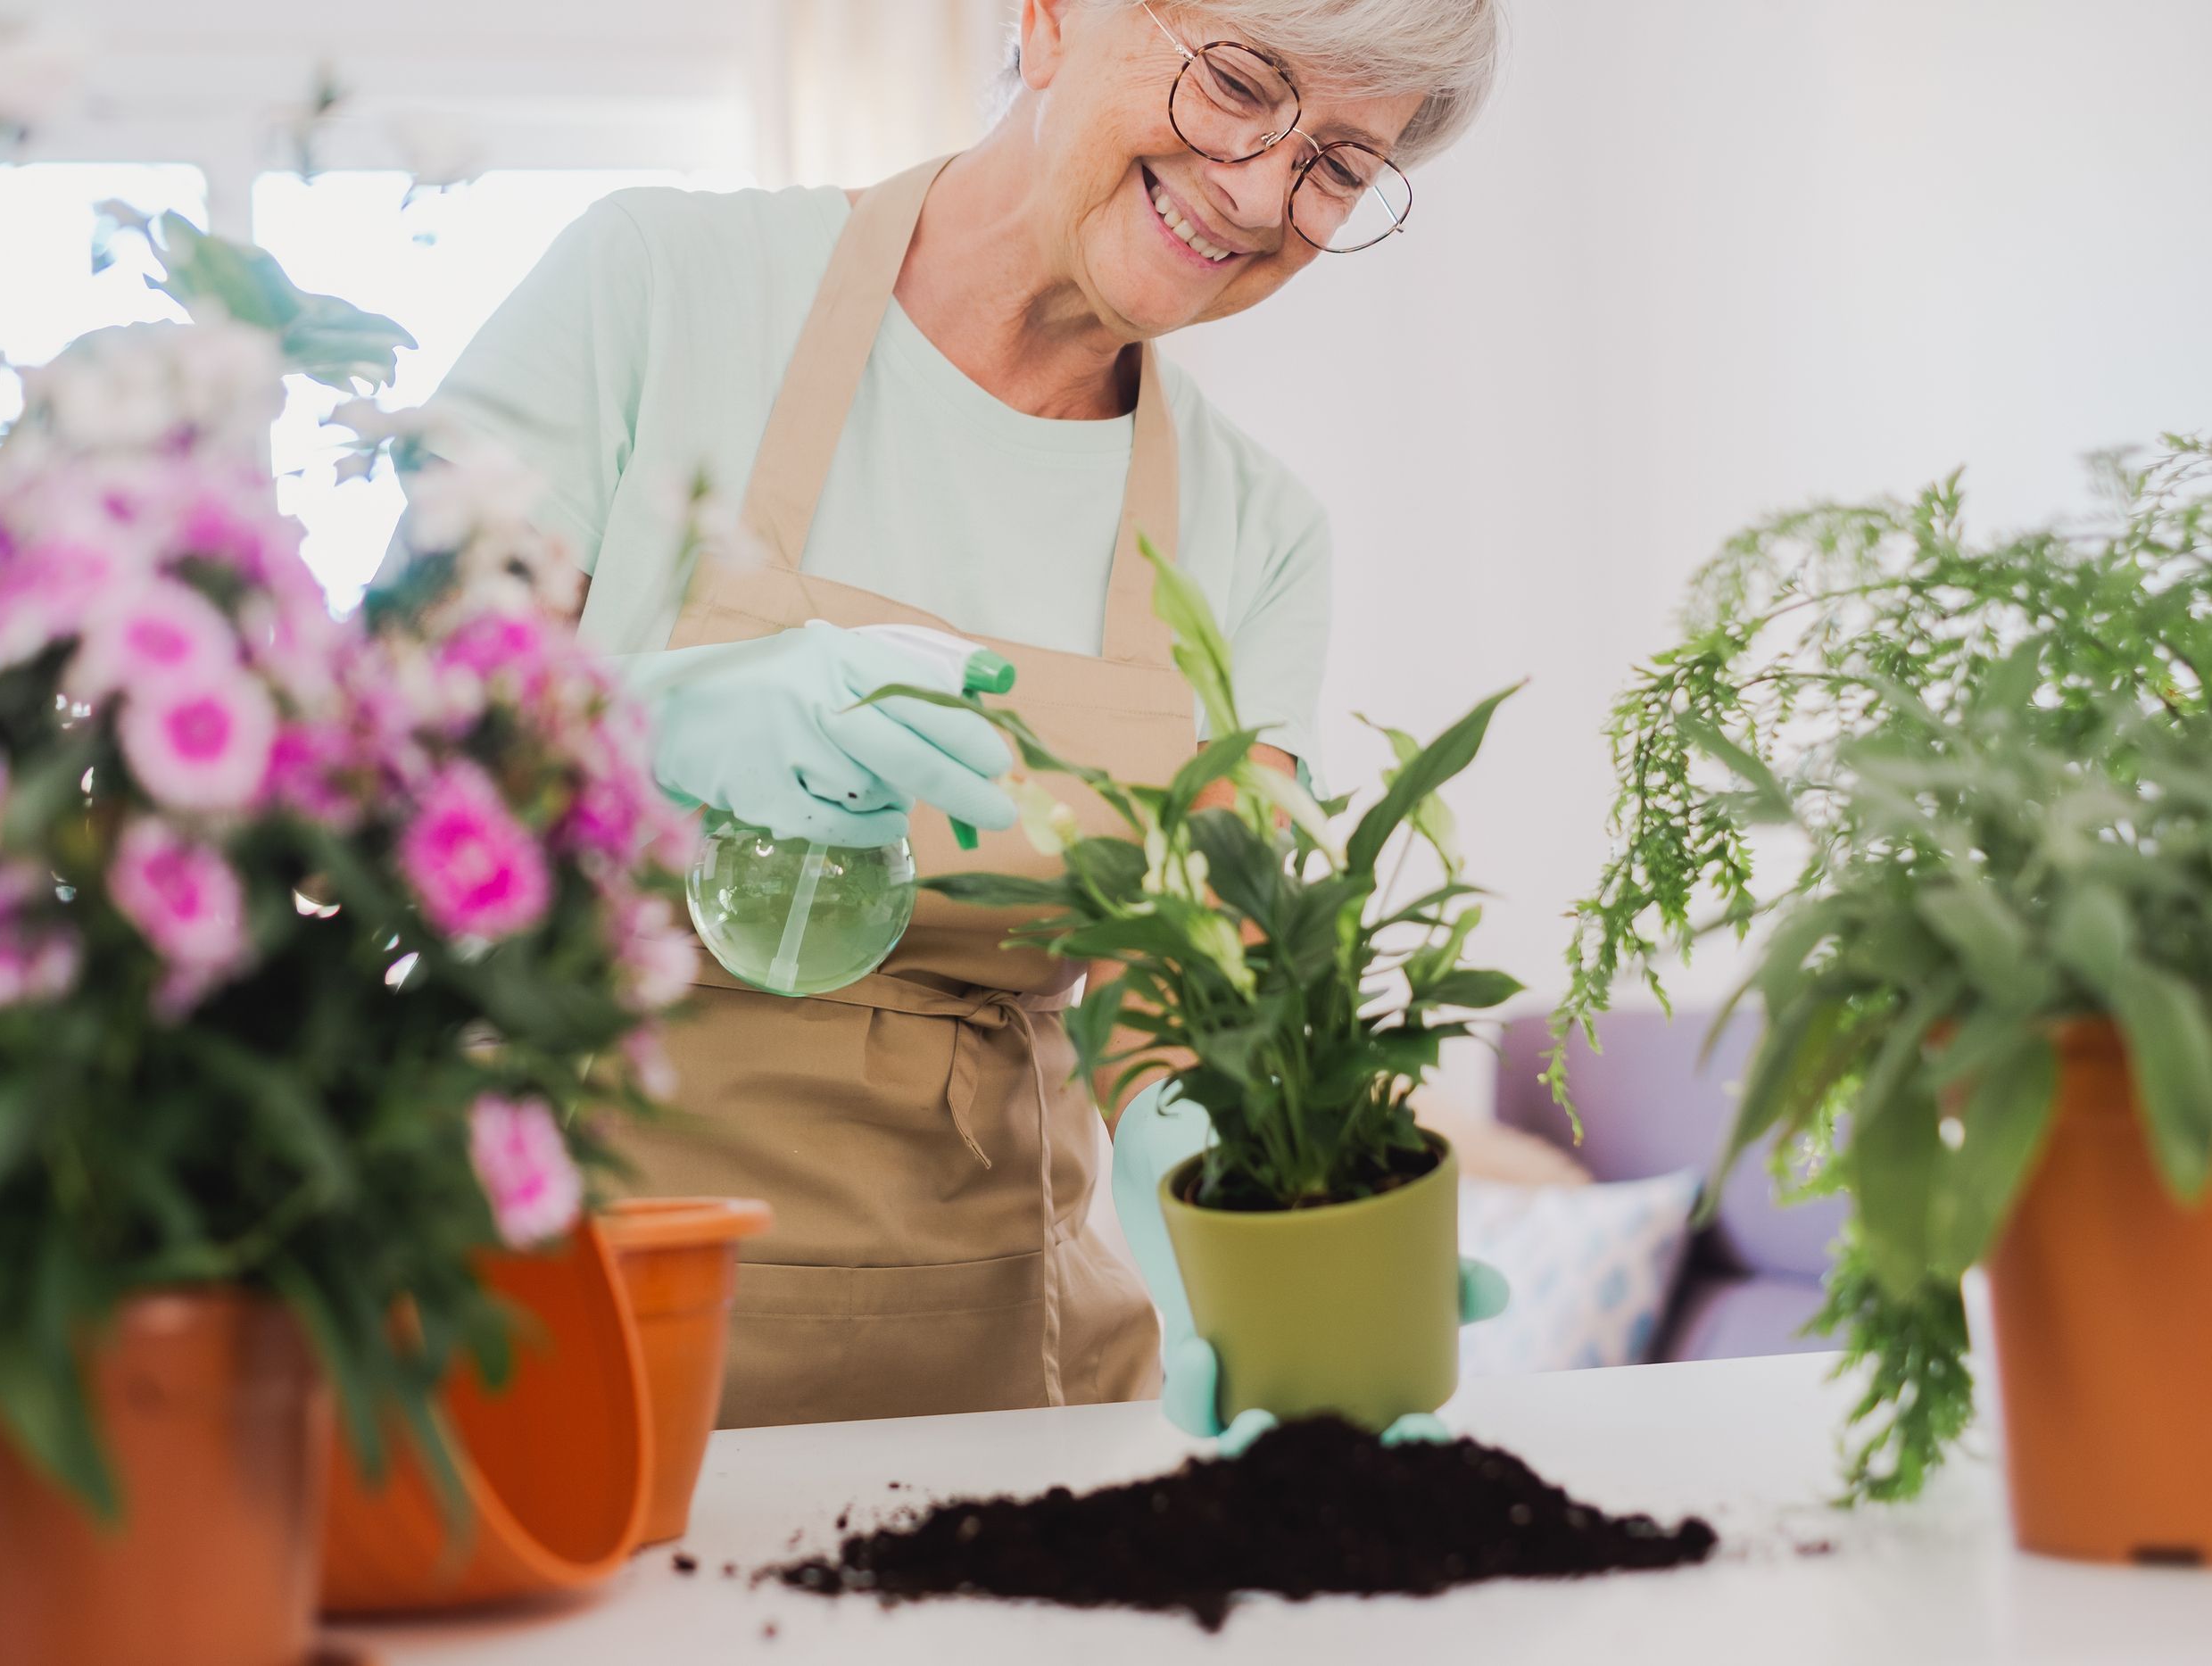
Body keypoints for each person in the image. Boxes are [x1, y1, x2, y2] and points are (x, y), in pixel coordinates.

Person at [402, 0, 1500, 1426]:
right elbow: (390, 739)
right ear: (1048, 18)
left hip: (998, 1379)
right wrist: (657, 726)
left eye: (1340, 166)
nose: (1258, 191)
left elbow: (1188, 984)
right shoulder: (658, 285)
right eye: (1240, 82)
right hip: (546, 1319)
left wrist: (1273, 1249)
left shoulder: (1255, 531)